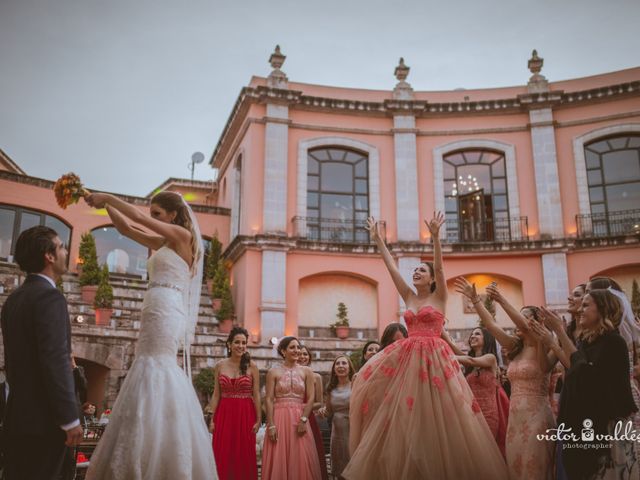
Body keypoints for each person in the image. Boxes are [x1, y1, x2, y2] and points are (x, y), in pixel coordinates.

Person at [344, 214, 508, 480]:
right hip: (408, 359)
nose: (416, 272)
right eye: (415, 270)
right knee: (404, 413)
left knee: (442, 417)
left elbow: (442, 269)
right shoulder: (409, 296)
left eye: (422, 270)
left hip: (436, 360)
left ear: (431, 279)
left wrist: (435, 238)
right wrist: (378, 241)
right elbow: (392, 270)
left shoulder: (440, 296)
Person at [84, 191, 217, 479]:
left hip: (168, 308)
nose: (153, 218)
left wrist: (107, 196)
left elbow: (138, 218)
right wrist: (106, 206)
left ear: (172, 214)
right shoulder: (164, 242)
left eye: (157, 214)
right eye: (153, 213)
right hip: (153, 305)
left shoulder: (183, 236)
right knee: (146, 363)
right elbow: (126, 228)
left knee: (159, 364)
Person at [0, 226, 83, 479]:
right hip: (46, 423)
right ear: (48, 255)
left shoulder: (14, 299)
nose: (65, 252)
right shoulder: (50, 298)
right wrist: (69, 419)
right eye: (61, 247)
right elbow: (55, 360)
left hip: (17, 419)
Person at [457, 278, 556, 480]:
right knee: (515, 469)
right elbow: (491, 325)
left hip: (537, 417)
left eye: (523, 318)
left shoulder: (545, 345)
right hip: (515, 418)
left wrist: (500, 299)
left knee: (534, 470)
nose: (516, 323)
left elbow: (524, 326)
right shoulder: (514, 346)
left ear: (536, 323)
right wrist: (476, 300)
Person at [548, 289, 638, 479]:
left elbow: (586, 377)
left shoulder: (614, 342)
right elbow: (574, 373)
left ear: (603, 310)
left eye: (586, 305)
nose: (580, 309)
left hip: (606, 430)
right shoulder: (587, 342)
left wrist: (559, 331)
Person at [262, 337, 322, 480]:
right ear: (283, 351)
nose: (297, 350)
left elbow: (311, 398)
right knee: (279, 455)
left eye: (298, 347)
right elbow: (269, 399)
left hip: (299, 417)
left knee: (300, 456)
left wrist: (303, 420)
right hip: (279, 417)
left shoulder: (307, 371)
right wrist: (271, 425)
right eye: (292, 347)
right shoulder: (273, 372)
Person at [210, 326, 261, 480]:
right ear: (229, 344)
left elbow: (256, 394)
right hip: (224, 414)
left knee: (244, 453)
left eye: (244, 343)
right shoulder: (220, 365)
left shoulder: (252, 366)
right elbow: (216, 394)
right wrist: (211, 418)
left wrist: (259, 420)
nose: (241, 346)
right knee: (222, 452)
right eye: (237, 342)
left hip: (245, 413)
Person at [453, 327, 509, 457]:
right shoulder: (469, 365)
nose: (472, 336)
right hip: (470, 414)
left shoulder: (491, 358)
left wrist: (444, 354)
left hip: (489, 414)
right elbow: (465, 357)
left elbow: (470, 360)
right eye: (471, 334)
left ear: (487, 339)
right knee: (472, 453)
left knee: (486, 453)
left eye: (477, 334)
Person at [319, 355, 354, 480]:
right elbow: (328, 411)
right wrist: (322, 410)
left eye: (344, 363)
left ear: (349, 368)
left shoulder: (355, 385)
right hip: (337, 432)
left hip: (353, 429)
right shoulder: (331, 389)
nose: (340, 366)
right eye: (337, 364)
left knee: (352, 462)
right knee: (339, 464)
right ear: (334, 369)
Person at [298, 345, 329, 480]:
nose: (302, 357)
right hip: (289, 416)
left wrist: (301, 406)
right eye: (300, 354)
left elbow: (319, 403)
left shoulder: (316, 377)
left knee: (311, 453)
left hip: (308, 418)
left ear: (309, 358)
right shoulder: (290, 375)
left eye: (305, 354)